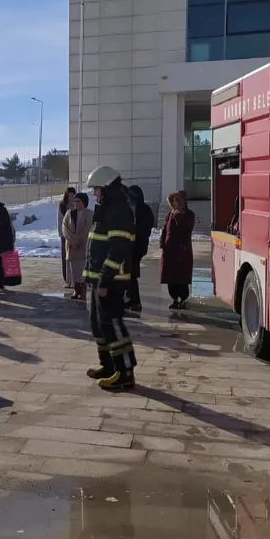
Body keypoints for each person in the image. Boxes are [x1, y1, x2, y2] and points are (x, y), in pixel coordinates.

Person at [83, 165, 137, 390]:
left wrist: (104, 280)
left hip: (111, 281)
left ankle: (124, 372)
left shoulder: (119, 210)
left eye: (96, 189)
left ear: (106, 187)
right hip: (99, 279)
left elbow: (118, 250)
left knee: (113, 324)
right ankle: (108, 365)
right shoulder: (107, 208)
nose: (94, 194)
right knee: (99, 324)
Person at [160, 190, 196, 309]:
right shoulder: (169, 214)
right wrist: (162, 243)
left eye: (178, 200)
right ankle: (174, 299)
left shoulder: (189, 214)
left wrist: (178, 215)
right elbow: (165, 229)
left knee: (181, 278)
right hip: (169, 251)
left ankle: (183, 298)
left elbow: (186, 229)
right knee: (171, 277)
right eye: (174, 200)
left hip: (182, 252)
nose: (176, 203)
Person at [124, 185, 155, 315]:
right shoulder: (128, 208)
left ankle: (134, 301)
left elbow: (146, 228)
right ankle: (131, 299)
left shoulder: (144, 209)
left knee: (130, 273)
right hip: (128, 245)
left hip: (138, 246)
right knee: (129, 273)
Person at [62, 192, 93, 300]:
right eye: (74, 201)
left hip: (82, 246)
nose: (75, 203)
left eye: (78, 201)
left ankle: (83, 291)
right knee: (73, 269)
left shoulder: (89, 214)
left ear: (84, 202)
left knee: (81, 270)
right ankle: (76, 290)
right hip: (71, 246)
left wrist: (78, 240)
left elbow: (88, 229)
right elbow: (65, 228)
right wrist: (72, 239)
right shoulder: (69, 213)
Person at [56, 187, 77, 288]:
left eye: (72, 195)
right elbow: (60, 221)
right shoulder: (62, 205)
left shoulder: (76, 204)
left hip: (75, 234)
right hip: (65, 235)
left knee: (75, 257)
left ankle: (74, 279)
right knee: (65, 256)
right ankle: (66, 279)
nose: (71, 198)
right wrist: (62, 235)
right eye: (69, 195)